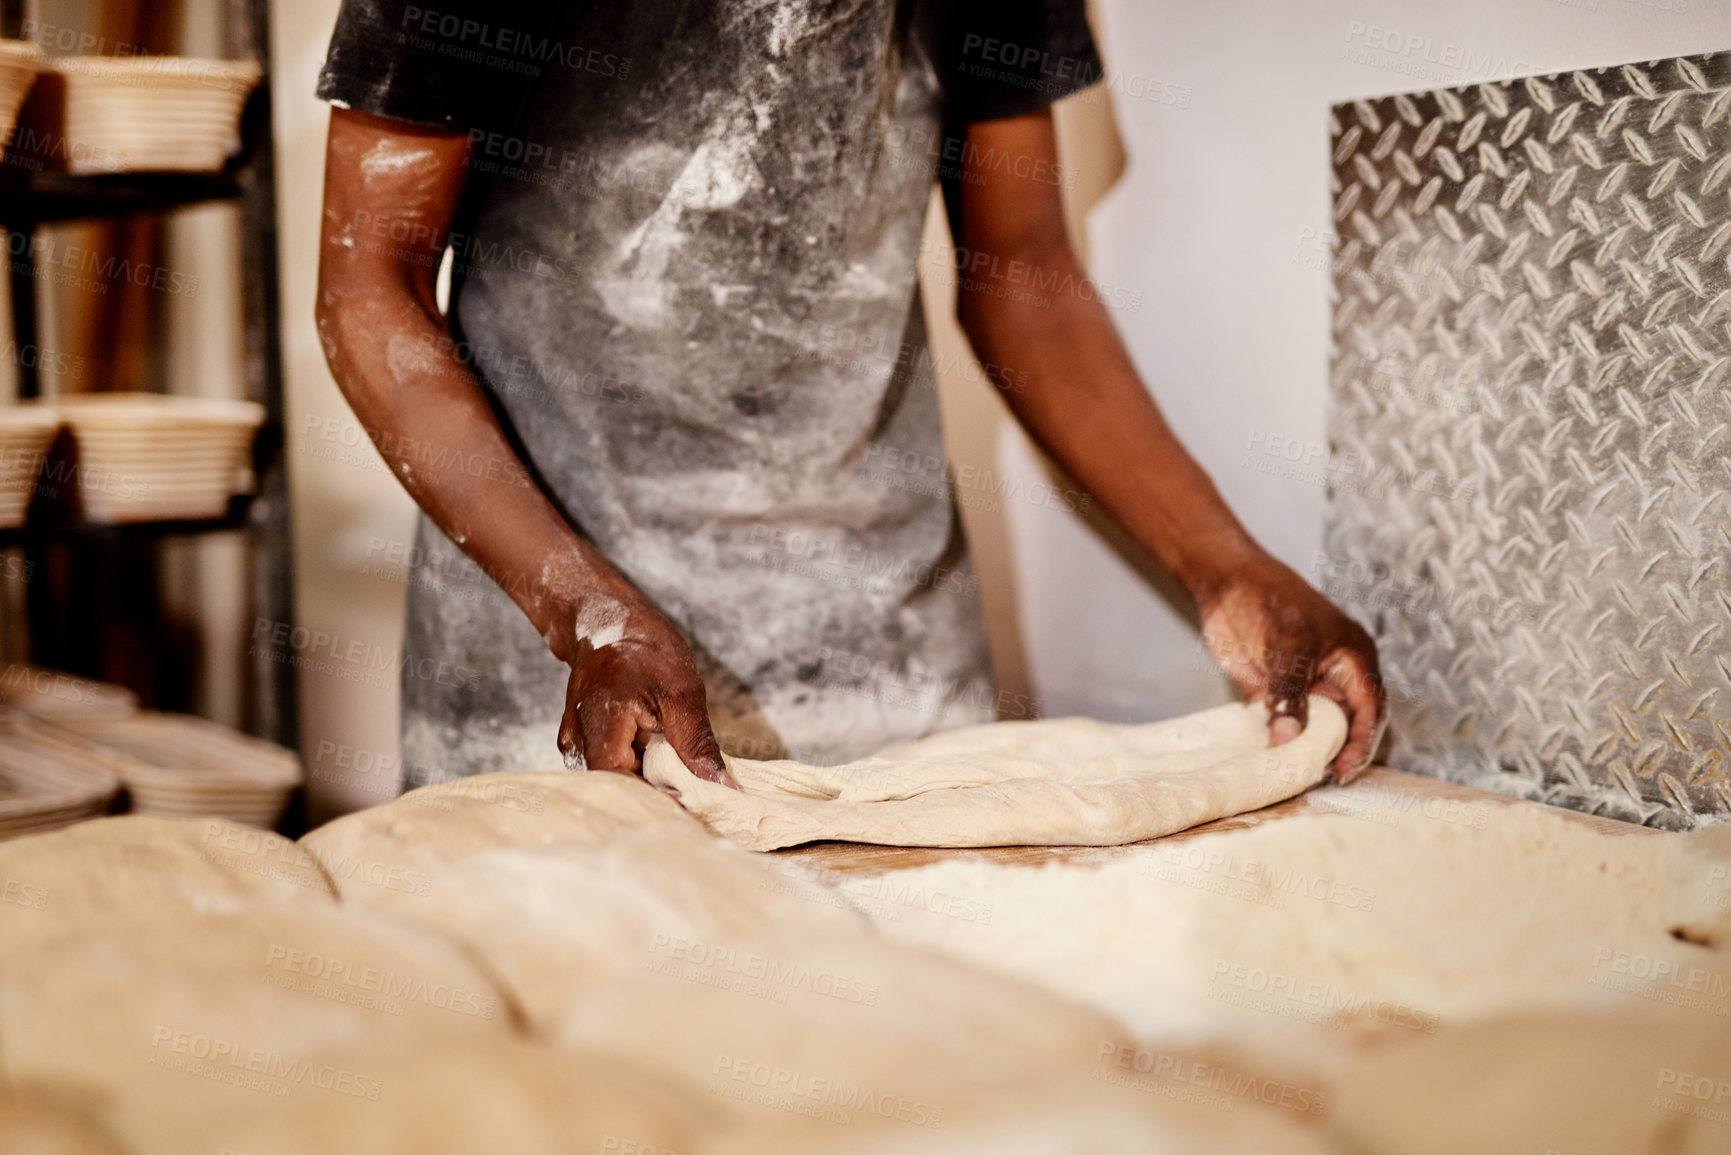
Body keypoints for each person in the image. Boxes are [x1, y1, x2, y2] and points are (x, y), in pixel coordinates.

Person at [313, 0, 1385, 795]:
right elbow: (370, 288)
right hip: (555, 665)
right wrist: (582, 610)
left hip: (890, 665)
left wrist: (1228, 570)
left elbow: (1026, 286)